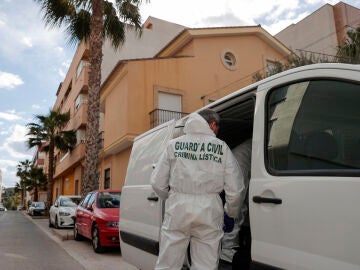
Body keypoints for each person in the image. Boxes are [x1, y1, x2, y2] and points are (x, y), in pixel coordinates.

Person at [150, 109, 245, 270]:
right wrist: (230, 212)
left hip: (177, 209)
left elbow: (157, 183)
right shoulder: (221, 148)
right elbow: (236, 190)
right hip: (209, 211)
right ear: (212, 124)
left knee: (168, 263)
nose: (217, 131)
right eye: (217, 127)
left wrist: (173, 196)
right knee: (205, 265)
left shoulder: (173, 145)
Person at [220, 138, 252, 266]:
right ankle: (227, 253)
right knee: (237, 204)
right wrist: (230, 215)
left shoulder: (238, 157)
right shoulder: (238, 158)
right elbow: (237, 197)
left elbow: (237, 196)